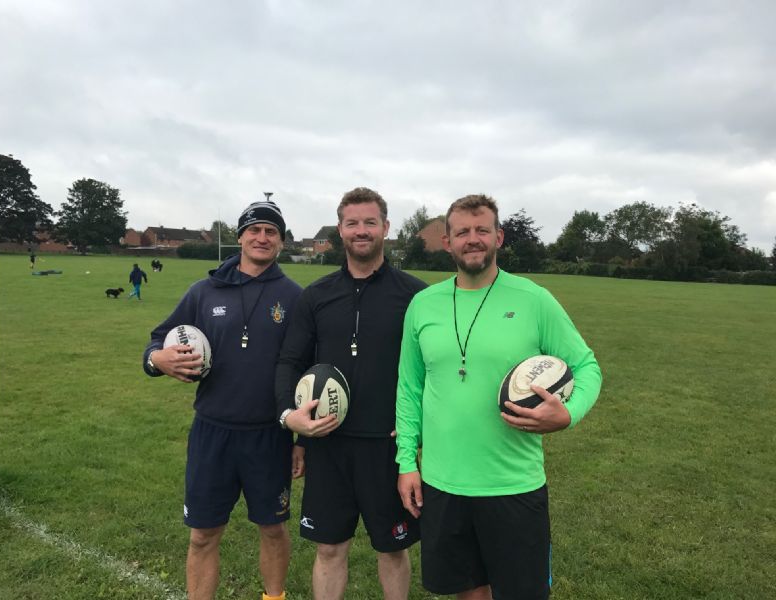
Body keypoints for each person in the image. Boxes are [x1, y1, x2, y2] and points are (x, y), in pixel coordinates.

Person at [395, 194, 602, 600]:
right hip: (443, 483)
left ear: (499, 237)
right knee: (468, 592)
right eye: (462, 232)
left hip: (512, 485)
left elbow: (587, 366)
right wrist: (406, 461)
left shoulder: (533, 299)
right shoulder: (422, 305)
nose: (473, 239)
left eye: (482, 230)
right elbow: (409, 388)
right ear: (447, 242)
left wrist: (568, 414)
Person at [143, 200, 302, 600]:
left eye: (271, 231)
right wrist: (156, 359)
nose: (262, 237)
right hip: (212, 432)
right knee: (202, 535)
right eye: (255, 230)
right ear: (240, 236)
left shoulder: (296, 297)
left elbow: (306, 371)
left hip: (270, 434)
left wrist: (304, 441)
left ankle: (274, 597)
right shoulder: (203, 291)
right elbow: (158, 340)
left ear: (281, 241)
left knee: (273, 528)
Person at [275, 187, 426, 600]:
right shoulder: (317, 296)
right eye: (353, 223)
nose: (362, 231)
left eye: (370, 222)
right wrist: (296, 426)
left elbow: (434, 372)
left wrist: (421, 434)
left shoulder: (415, 296)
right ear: (340, 229)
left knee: (393, 550)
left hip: (388, 446)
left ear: (386, 228)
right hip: (328, 444)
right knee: (329, 548)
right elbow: (290, 363)